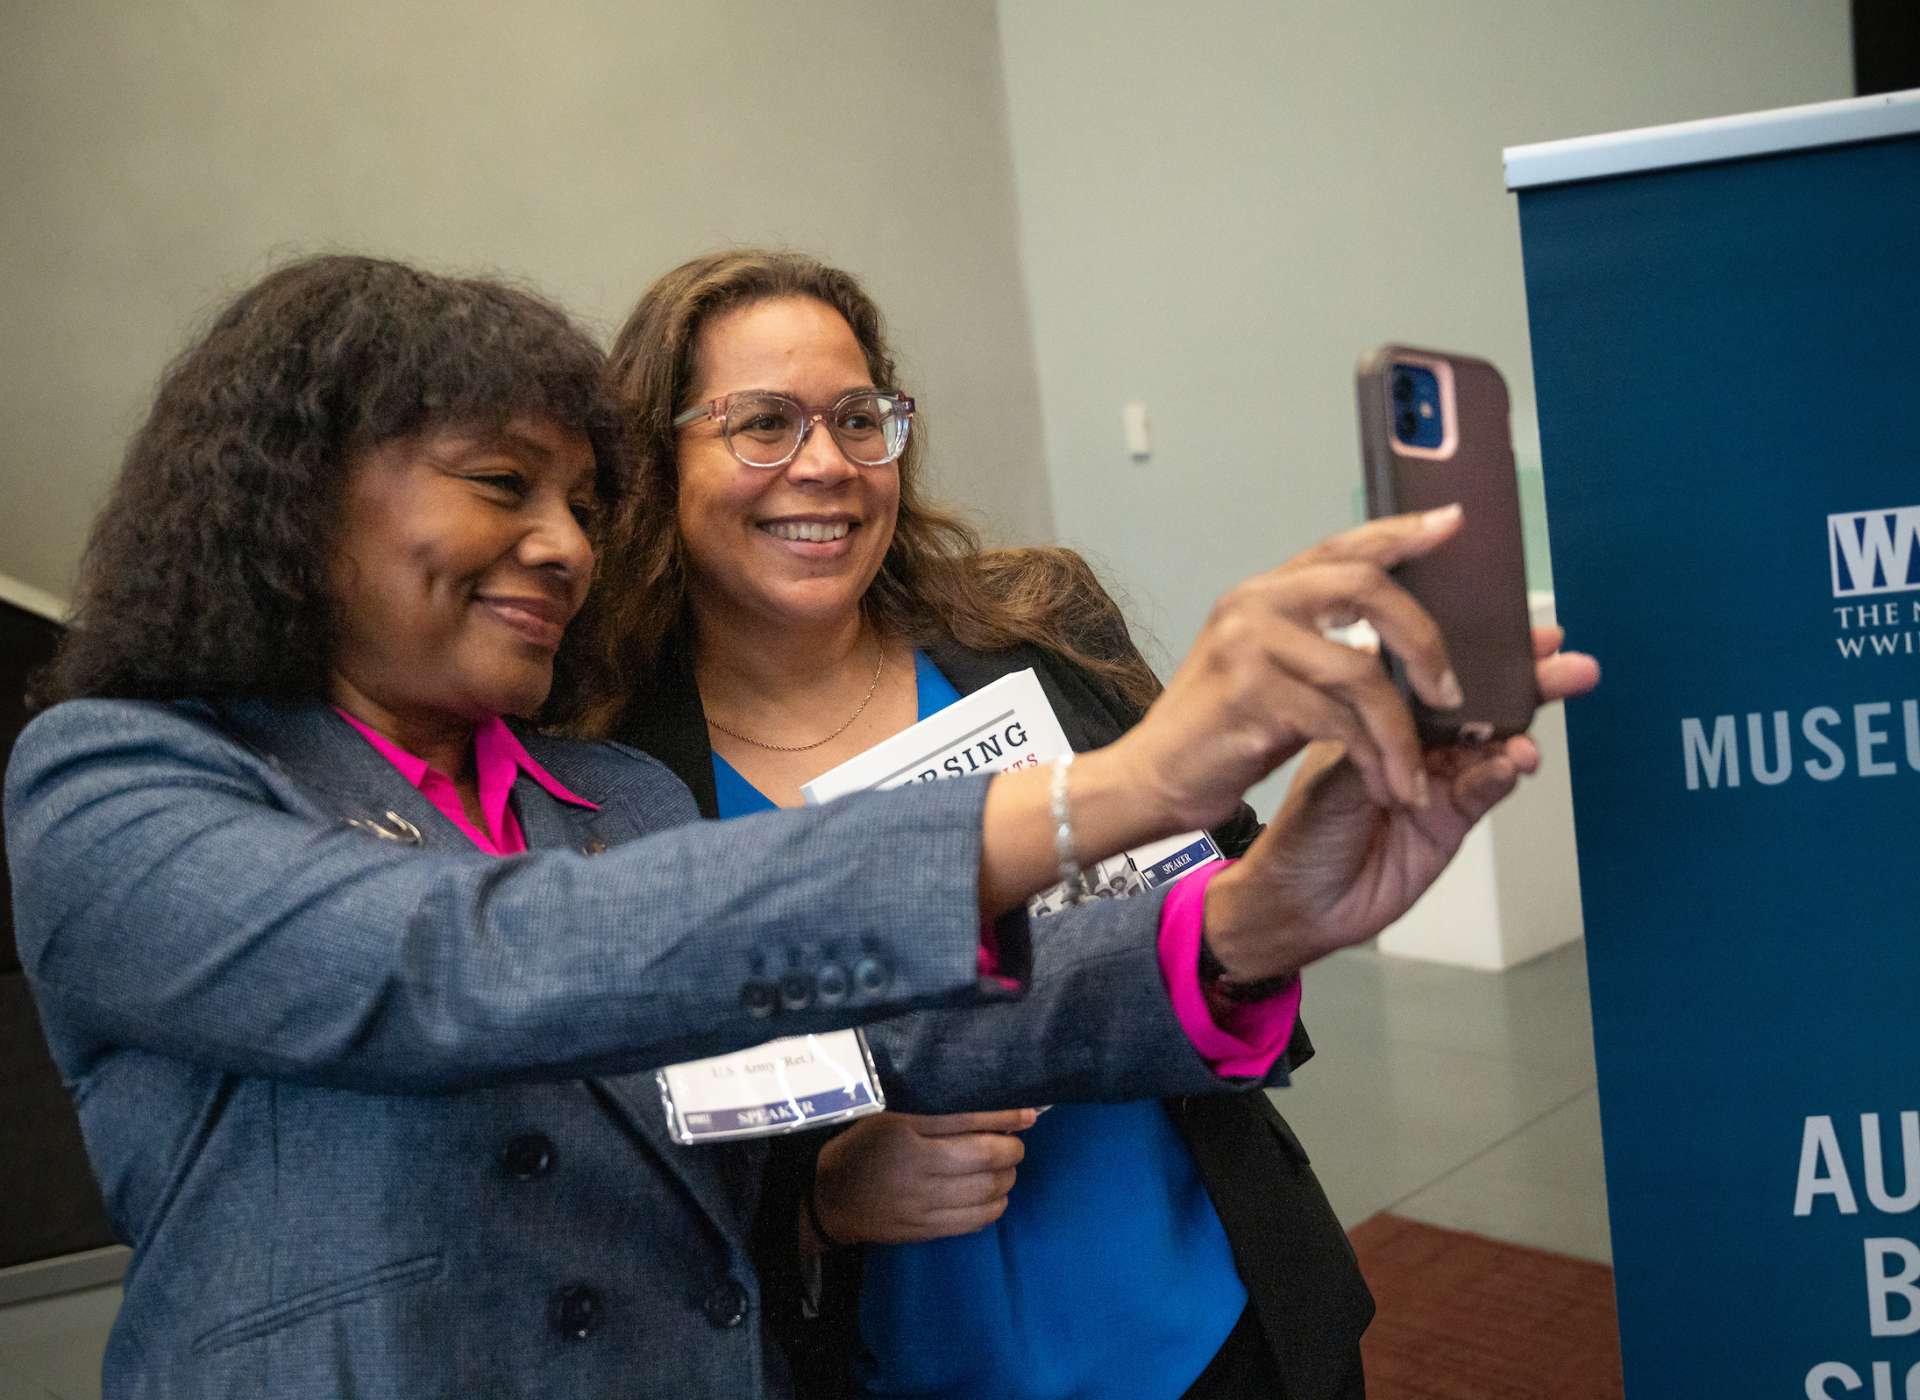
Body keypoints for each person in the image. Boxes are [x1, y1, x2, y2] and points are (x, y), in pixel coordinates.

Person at [5, 254, 1579, 1400]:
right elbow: (458, 966)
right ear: (290, 503)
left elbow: (891, 1031)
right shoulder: (117, 781)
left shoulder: (602, 800)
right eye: (502, 485)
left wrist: (1251, 920)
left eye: (576, 498)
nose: (558, 544)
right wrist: (1125, 786)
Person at [589, 250, 1599, 1399]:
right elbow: (608, 1182)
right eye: (762, 422)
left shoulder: (1035, 627)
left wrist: (1312, 842)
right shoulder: (610, 781)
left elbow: (1227, 898)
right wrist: (817, 1205)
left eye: (860, 417)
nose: (824, 463)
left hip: (1215, 1322)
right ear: (655, 457)